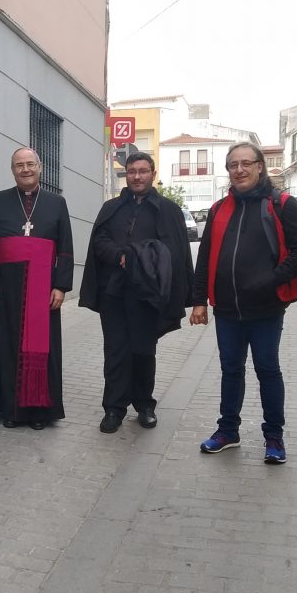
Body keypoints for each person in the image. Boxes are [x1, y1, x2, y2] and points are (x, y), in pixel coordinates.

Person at [189, 143, 297, 463]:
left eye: (246, 163)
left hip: (266, 309)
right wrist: (199, 301)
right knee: (230, 370)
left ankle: (274, 436)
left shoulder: (281, 204)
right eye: (233, 165)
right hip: (227, 309)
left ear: (260, 167)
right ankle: (228, 431)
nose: (239, 170)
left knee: (267, 370)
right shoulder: (219, 209)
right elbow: (204, 259)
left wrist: (269, 282)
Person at [79, 152, 194, 434]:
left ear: (152, 174)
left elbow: (175, 252)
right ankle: (114, 409)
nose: (137, 176)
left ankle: (144, 405)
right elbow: (99, 242)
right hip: (114, 293)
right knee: (116, 351)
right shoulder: (112, 208)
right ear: (126, 175)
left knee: (143, 351)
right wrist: (121, 255)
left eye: (143, 171)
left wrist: (143, 257)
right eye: (132, 171)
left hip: (149, 296)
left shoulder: (168, 210)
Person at [0, 148, 74, 429]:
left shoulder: (57, 203)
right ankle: (10, 409)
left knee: (40, 349)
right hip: (5, 284)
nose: (25, 169)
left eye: (30, 164)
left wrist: (61, 285)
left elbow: (66, 247)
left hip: (42, 285)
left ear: (39, 167)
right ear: (12, 169)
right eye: (19, 165)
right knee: (6, 345)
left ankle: (38, 411)